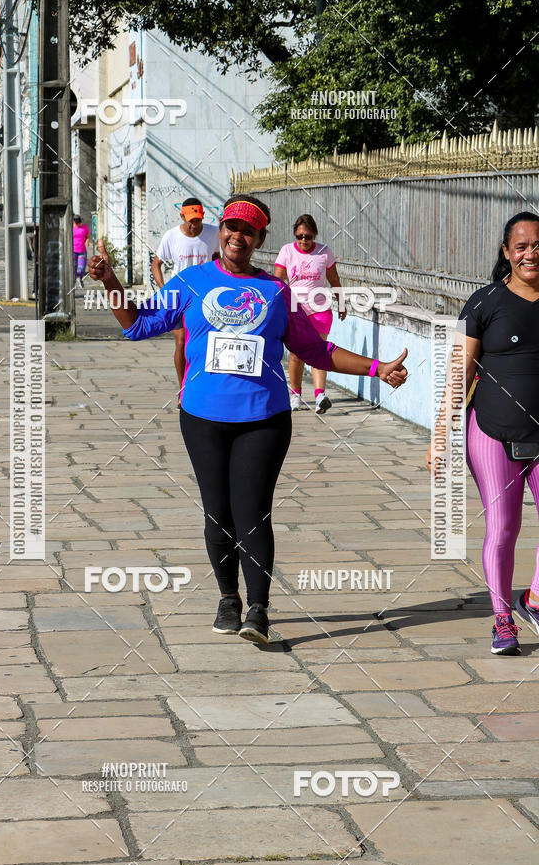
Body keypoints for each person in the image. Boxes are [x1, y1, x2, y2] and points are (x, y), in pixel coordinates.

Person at [90, 194, 408, 644]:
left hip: (264, 419)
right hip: (202, 418)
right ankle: (228, 599)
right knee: (218, 514)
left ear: (260, 239)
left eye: (248, 231)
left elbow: (316, 350)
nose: (238, 236)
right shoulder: (191, 282)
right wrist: (110, 280)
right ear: (220, 231)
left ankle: (258, 610)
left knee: (252, 513)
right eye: (231, 227)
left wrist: (377, 368)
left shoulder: (276, 292)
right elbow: (137, 324)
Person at [426, 211, 539, 655]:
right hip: (492, 433)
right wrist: (440, 434)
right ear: (506, 253)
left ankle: (534, 599)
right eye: (522, 246)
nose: (531, 253)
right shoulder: (482, 303)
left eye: (538, 245)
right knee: (504, 527)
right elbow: (458, 373)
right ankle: (502, 620)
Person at [274, 215, 346, 415]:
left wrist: (341, 303)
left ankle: (320, 396)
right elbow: (277, 281)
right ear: (295, 235)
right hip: (295, 311)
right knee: (296, 354)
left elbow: (334, 279)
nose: (304, 240)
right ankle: (295, 394)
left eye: (308, 236)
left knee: (319, 350)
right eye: (299, 236)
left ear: (314, 234)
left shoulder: (324, 252)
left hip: (320, 310)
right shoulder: (287, 251)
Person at [151, 198, 219, 392]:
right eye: (190, 220)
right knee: (181, 341)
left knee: (205, 342)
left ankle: (203, 385)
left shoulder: (213, 233)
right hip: (179, 296)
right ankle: (183, 390)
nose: (194, 224)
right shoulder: (171, 236)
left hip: (205, 296)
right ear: (182, 216)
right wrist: (164, 289)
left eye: (198, 220)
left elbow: (217, 259)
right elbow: (156, 264)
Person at [73, 215, 91, 288]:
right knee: (74, 267)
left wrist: (87, 241)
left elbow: (88, 236)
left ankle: (80, 278)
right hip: (73, 251)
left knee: (82, 267)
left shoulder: (84, 227)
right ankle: (73, 282)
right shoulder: (71, 228)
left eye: (79, 222)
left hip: (82, 250)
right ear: (73, 222)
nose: (79, 224)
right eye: (77, 223)